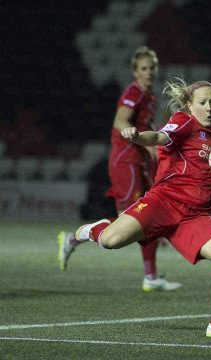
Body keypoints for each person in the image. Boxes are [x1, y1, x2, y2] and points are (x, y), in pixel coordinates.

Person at [60, 78, 211, 339]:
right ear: (189, 104)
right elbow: (160, 137)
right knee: (110, 241)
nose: (209, 108)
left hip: (194, 216)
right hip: (163, 203)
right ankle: (89, 231)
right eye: (203, 102)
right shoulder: (184, 122)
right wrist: (139, 137)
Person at [58, 46, 182, 292]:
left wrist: (151, 145)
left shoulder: (150, 96)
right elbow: (119, 120)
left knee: (149, 215)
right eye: (144, 68)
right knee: (130, 219)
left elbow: (145, 127)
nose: (149, 72)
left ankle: (151, 276)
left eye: (152, 68)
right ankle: (73, 238)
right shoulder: (134, 91)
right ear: (135, 71)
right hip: (125, 161)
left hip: (138, 160)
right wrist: (134, 136)